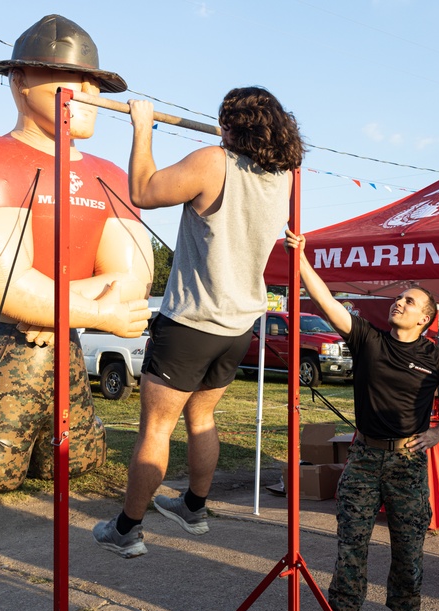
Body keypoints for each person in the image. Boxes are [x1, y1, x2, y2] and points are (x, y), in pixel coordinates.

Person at [0, 15, 154, 493]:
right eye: (75, 77)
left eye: (96, 81)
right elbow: (1, 281)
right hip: (6, 347)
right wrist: (95, 314)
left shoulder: (110, 175)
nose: (90, 92)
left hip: (61, 346)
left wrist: (51, 311)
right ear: (21, 79)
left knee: (79, 460)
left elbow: (132, 281)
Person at [92, 87, 305, 557]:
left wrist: (142, 126)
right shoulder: (283, 176)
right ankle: (194, 506)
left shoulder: (216, 161)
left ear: (230, 126)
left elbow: (143, 192)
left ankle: (127, 529)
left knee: (156, 429)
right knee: (202, 416)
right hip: (238, 325)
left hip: (191, 321)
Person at [284, 230, 439, 611]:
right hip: (365, 459)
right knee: (350, 548)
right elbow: (329, 306)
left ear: (424, 319)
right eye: (399, 298)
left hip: (408, 462)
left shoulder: (436, 357)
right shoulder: (368, 340)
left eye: (410, 302)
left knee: (408, 551)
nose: (399, 303)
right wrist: (301, 263)